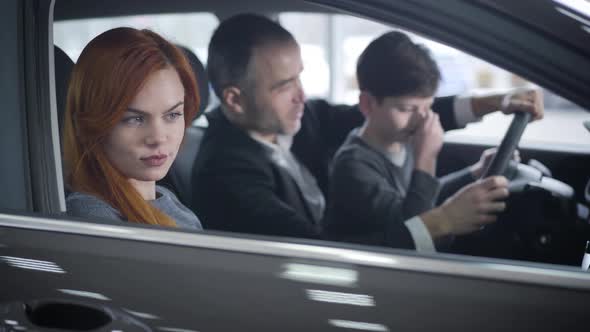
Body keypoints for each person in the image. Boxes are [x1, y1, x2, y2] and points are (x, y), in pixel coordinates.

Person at [192, 13, 542, 239]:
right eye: (284, 86)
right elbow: (317, 252)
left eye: (300, 78)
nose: (301, 95)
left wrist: (496, 102)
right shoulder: (226, 173)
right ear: (235, 100)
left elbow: (390, 109)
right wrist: (444, 220)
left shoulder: (294, 115)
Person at [324, 31, 522, 251]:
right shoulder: (353, 166)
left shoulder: (402, 137)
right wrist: (426, 158)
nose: (421, 119)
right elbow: (416, 229)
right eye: (406, 109)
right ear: (368, 104)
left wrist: (474, 174)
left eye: (427, 107)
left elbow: (418, 198)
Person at [63, 27, 202, 230]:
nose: (158, 138)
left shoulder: (167, 199)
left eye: (172, 115)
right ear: (91, 122)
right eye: (135, 119)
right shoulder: (93, 216)